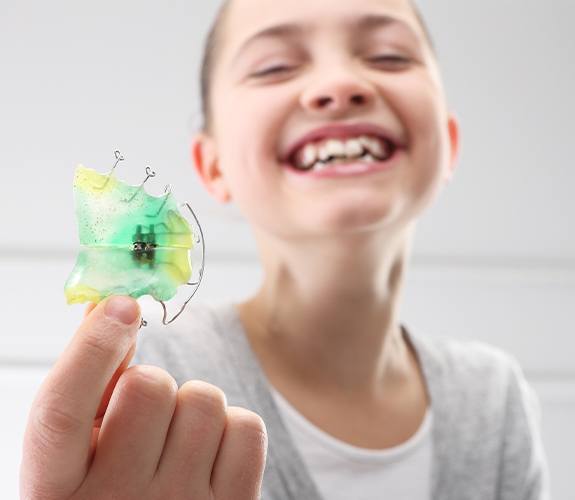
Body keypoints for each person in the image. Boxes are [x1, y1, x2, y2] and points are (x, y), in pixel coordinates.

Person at [20, 0, 550, 498]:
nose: (340, 85)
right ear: (214, 166)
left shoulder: (493, 399)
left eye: (390, 55)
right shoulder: (149, 372)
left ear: (449, 142)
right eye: (273, 67)